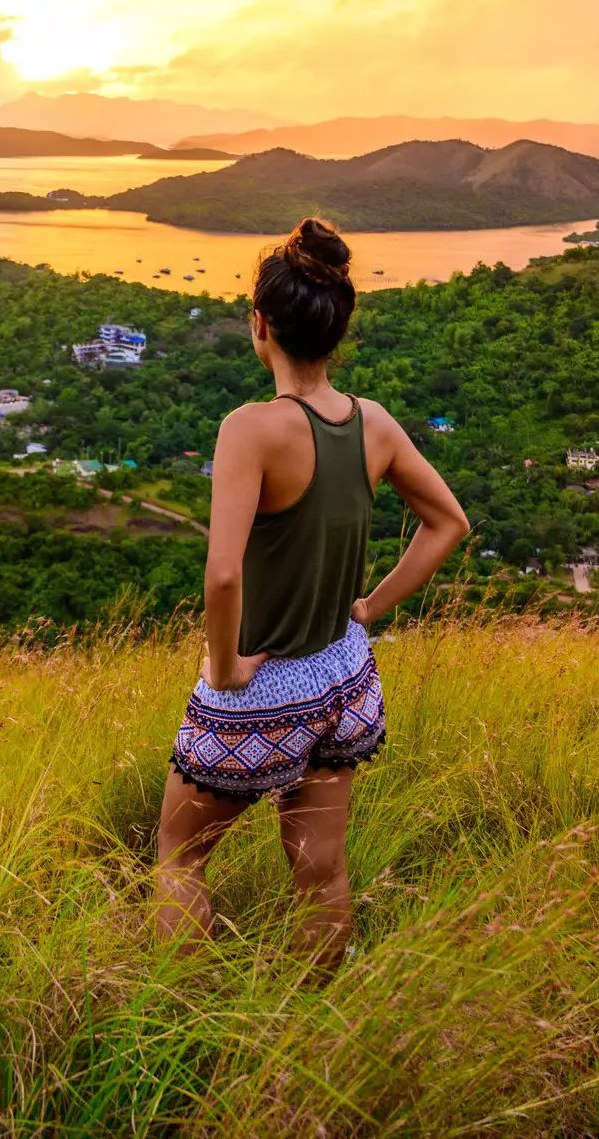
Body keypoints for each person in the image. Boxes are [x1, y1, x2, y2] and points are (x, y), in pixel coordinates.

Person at [156, 216, 469, 974]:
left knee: (178, 858)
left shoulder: (251, 429)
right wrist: (371, 607)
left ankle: (168, 1025)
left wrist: (226, 667)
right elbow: (448, 523)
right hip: (345, 676)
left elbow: (224, 574)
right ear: (336, 329)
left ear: (259, 325)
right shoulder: (375, 424)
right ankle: (314, 1016)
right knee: (320, 870)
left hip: (260, 688)